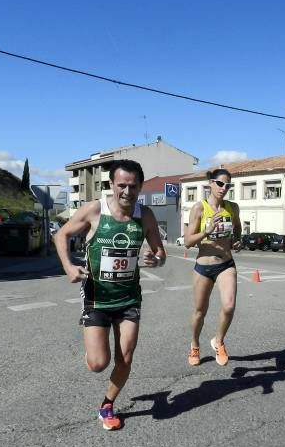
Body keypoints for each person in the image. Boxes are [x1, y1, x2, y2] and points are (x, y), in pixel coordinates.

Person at [53, 159, 166, 431]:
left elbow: (160, 252)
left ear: (140, 187)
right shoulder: (94, 211)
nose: (127, 192)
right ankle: (94, 352)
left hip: (129, 298)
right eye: (122, 186)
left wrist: (157, 258)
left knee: (126, 356)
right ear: (111, 186)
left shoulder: (146, 215)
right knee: (98, 364)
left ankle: (107, 405)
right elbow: (61, 234)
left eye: (133, 187)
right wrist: (68, 266)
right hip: (97, 299)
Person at [184, 168, 242, 367]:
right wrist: (206, 231)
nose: (223, 188)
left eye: (228, 185)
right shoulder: (199, 208)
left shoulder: (233, 208)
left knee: (229, 306)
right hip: (204, 266)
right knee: (200, 311)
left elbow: (238, 229)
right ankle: (194, 345)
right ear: (210, 183)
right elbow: (187, 241)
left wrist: (237, 241)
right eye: (220, 183)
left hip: (226, 264)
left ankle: (219, 341)